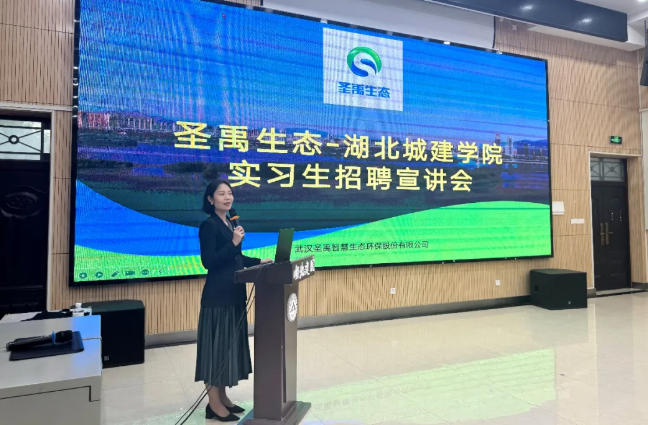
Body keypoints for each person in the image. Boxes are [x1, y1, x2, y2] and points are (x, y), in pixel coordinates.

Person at [195, 179, 272, 422]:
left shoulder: (230, 223)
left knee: (226, 350)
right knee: (215, 351)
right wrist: (234, 242)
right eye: (221, 194)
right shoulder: (208, 226)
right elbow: (209, 262)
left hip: (235, 293)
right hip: (218, 297)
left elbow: (235, 258)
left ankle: (223, 397)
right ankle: (213, 403)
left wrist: (258, 262)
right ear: (210, 199)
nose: (227, 197)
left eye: (230, 193)